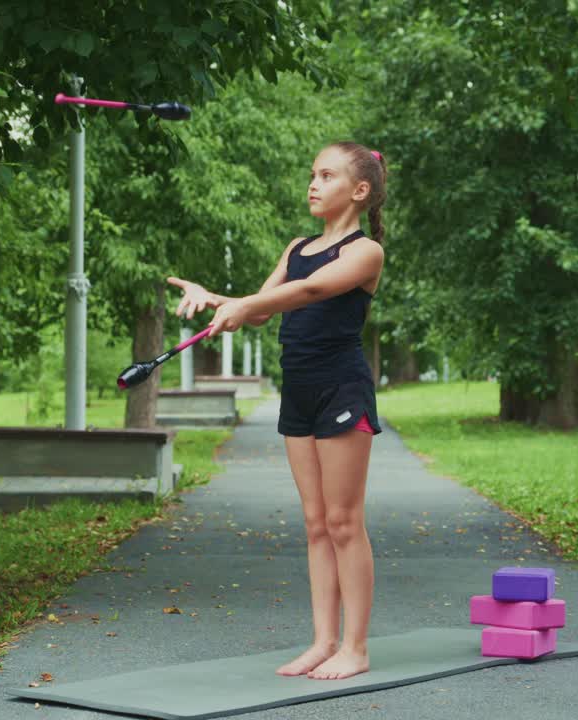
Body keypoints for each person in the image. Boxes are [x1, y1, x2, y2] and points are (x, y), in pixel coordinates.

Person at [166, 141, 387, 681]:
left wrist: (244, 305)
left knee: (343, 521)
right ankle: (322, 641)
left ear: (358, 191)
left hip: (342, 389)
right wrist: (219, 300)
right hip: (300, 390)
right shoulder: (296, 246)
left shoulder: (366, 252)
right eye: (311, 173)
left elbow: (309, 292)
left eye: (326, 175)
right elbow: (261, 311)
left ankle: (355, 648)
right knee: (315, 523)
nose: (313, 183)